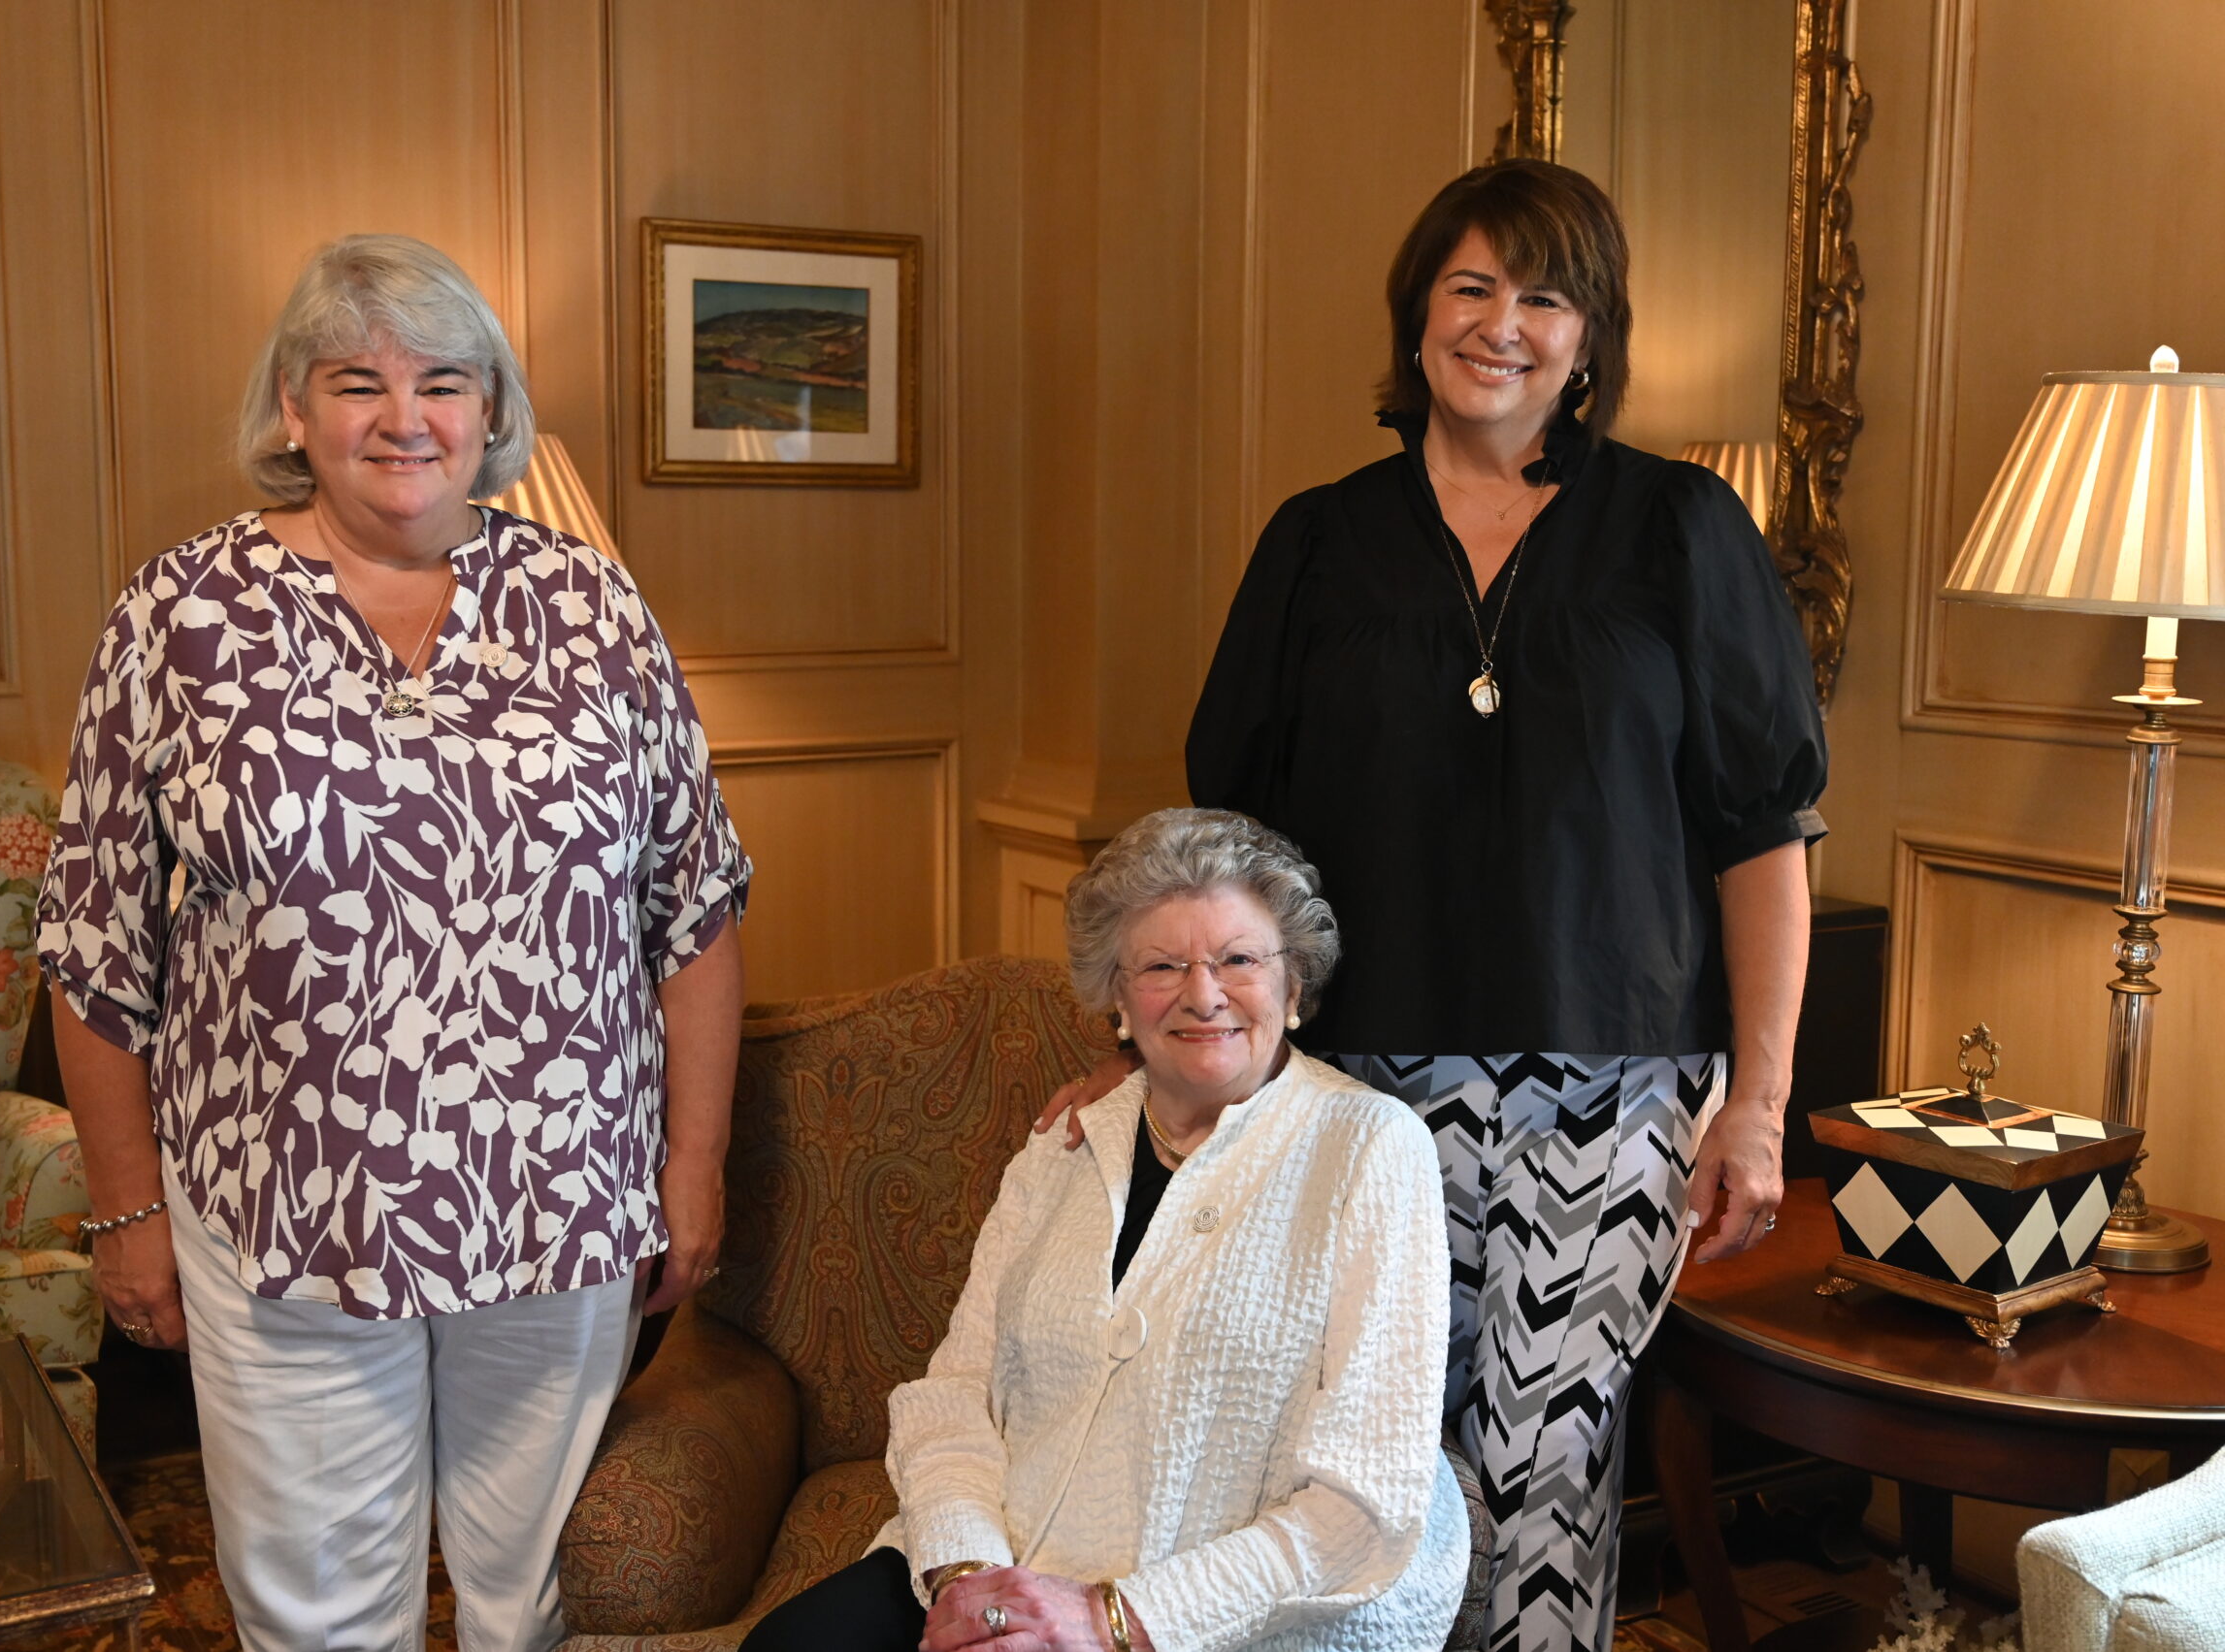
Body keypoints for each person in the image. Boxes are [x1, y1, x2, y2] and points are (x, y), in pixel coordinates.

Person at [1052, 161, 1826, 1652]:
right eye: (1470, 287)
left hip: (1610, 1102)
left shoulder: (1683, 531)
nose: (1503, 324)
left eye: (1546, 295)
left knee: (1547, 1482)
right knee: (1355, 1477)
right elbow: (1230, 854)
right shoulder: (1317, 543)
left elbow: (1762, 837)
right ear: (1416, 318)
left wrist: (1759, 1105)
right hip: (1350, 1091)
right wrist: (1164, 1048)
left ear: (1592, 338)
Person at [36, 234, 751, 1652]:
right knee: (316, 1609)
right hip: (288, 1208)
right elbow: (96, 941)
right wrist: (126, 1211)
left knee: (530, 1593)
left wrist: (693, 1158)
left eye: (443, 379)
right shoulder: (179, 614)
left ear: (491, 410)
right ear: (293, 411)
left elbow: (696, 904)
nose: (404, 416)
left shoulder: (594, 604)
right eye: (356, 380)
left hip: (560, 1194)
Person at [744, 808, 1470, 1652]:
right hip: (999, 1560)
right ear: (1118, 999)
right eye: (1163, 965)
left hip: (1206, 1612)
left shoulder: (1371, 1148)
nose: (1204, 994)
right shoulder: (1066, 1142)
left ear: (1294, 985)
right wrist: (972, 1580)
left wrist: (1107, 1619)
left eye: (1239, 959)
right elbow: (953, 1393)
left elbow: (1362, 1504)